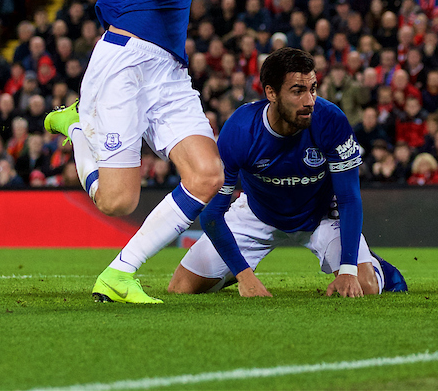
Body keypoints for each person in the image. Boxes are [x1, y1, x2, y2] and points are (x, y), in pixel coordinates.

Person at [43, 0, 251, 304]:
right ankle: (76, 126)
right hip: (126, 61)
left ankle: (120, 274)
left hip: (168, 71)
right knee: (118, 201)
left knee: (207, 174)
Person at [168, 48, 406, 297]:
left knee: (364, 288)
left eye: (312, 88)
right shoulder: (240, 130)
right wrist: (244, 276)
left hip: (321, 216)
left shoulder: (331, 121)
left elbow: (349, 199)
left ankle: (382, 271)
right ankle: (228, 272)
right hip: (258, 214)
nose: (309, 100)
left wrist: (348, 270)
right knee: (181, 288)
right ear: (271, 92)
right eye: (297, 91)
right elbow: (212, 213)